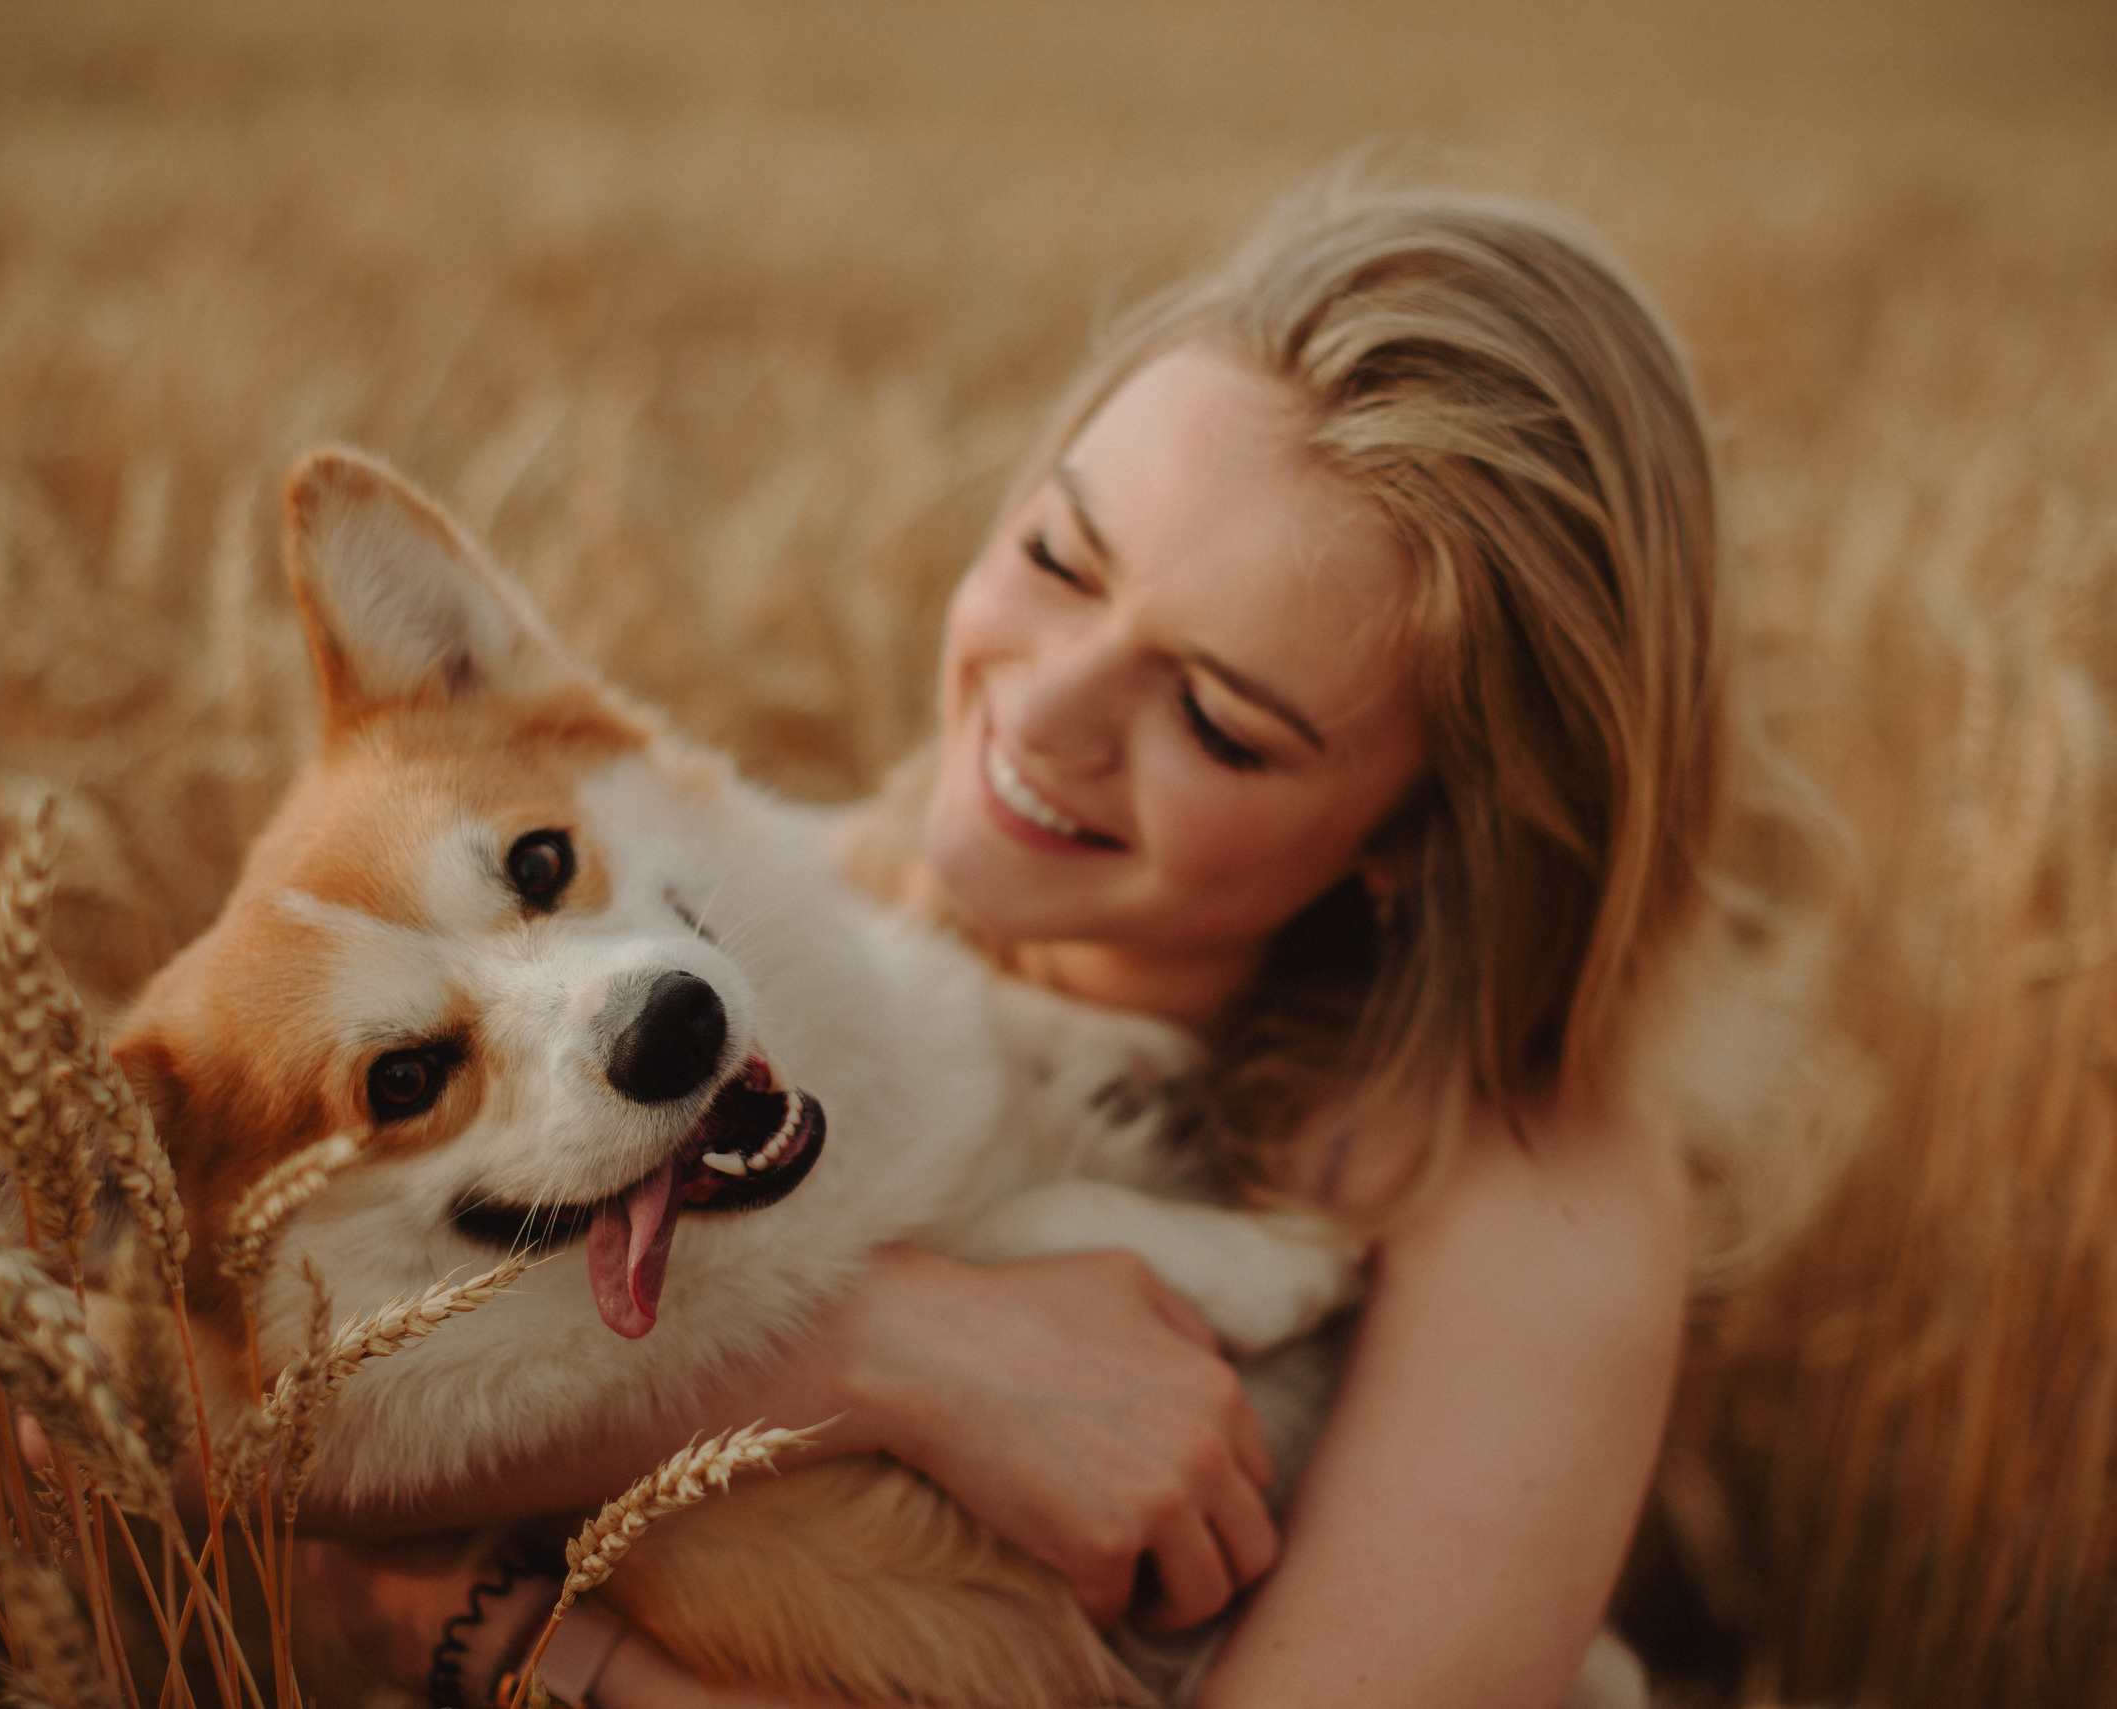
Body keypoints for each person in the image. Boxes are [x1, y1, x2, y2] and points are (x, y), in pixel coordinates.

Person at [306, 169, 1723, 1709]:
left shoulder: (1523, 1190)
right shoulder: (730, 927)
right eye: (1060, 558)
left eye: (1217, 719)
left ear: (1421, 831)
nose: (1041, 716)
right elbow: (147, 1406)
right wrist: (886, 1351)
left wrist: (514, 1643)